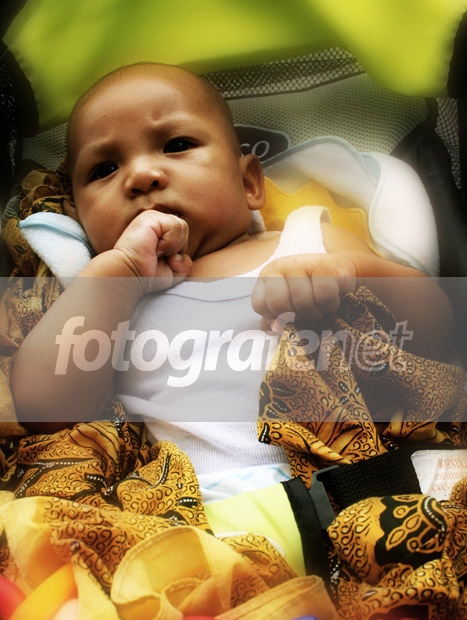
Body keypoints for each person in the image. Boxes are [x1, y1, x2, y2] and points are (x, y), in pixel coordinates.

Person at [10, 63, 456, 565]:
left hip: (362, 494)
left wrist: (350, 274)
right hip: (201, 525)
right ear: (79, 217)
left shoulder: (308, 238)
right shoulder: (107, 299)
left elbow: (435, 337)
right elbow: (42, 410)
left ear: (249, 184)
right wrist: (119, 274)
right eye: (103, 170)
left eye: (177, 144)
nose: (140, 176)